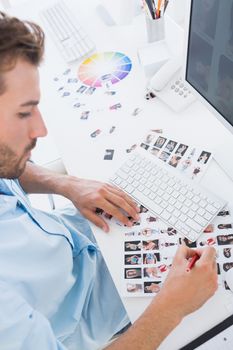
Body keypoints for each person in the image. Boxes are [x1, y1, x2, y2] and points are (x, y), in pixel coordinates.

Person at [0, 11, 218, 350]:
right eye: (24, 112)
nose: (41, 130)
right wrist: (172, 308)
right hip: (97, 306)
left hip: (80, 236)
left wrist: (66, 185)